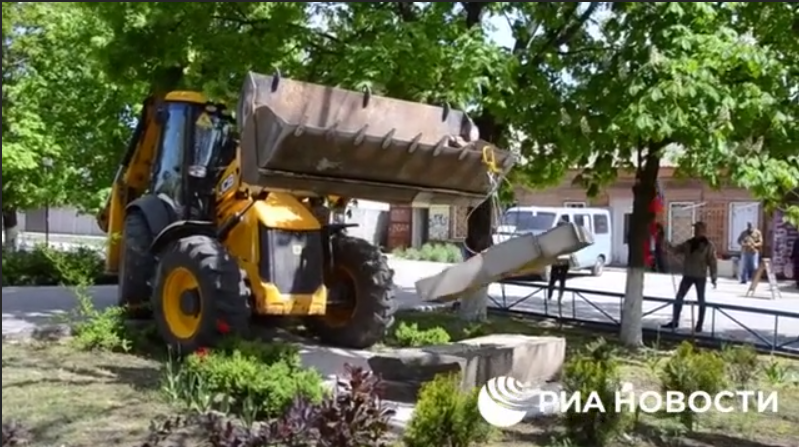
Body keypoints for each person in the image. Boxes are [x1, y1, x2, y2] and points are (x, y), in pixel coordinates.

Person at [662, 221, 718, 332]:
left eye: (698, 229)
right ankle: (675, 321)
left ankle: (699, 325)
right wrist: (664, 242)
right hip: (688, 275)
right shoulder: (689, 243)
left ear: (704, 231)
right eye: (695, 229)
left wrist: (713, 277)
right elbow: (675, 250)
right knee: (679, 298)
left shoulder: (708, 245)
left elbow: (713, 262)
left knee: (701, 301)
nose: (696, 231)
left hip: (700, 276)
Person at [548, 219, 571, 305]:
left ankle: (554, 298)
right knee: (557, 280)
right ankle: (554, 298)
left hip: (561, 261)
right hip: (560, 261)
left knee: (556, 280)